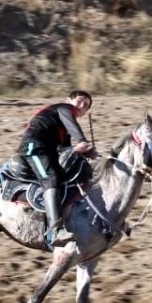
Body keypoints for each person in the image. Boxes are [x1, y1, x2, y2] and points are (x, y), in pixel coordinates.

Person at [17, 90, 95, 248]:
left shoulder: (63, 127)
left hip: (48, 151)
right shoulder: (63, 109)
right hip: (34, 147)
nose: (81, 106)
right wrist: (82, 140)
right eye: (79, 101)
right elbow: (73, 126)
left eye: (85, 106)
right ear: (68, 100)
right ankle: (55, 231)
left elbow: (65, 149)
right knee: (50, 178)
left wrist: (85, 152)